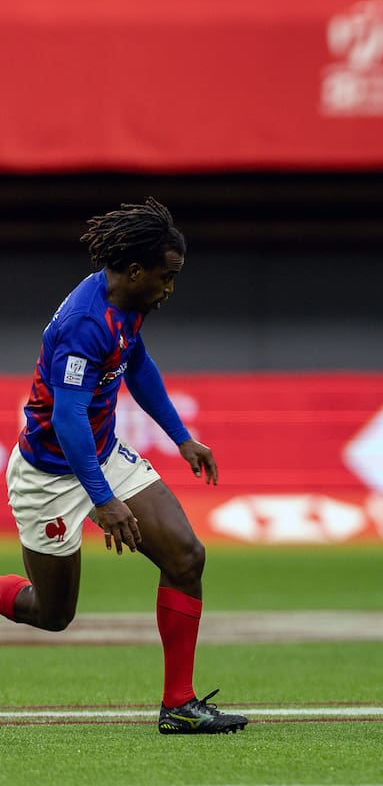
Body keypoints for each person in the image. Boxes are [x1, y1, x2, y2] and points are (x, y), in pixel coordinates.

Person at [0, 198, 248, 735]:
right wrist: (102, 499)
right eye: (166, 277)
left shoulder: (128, 303)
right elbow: (66, 418)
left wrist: (181, 437)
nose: (170, 289)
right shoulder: (85, 324)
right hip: (50, 474)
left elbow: (137, 364)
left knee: (186, 556)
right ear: (136, 271)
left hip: (103, 453)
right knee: (51, 613)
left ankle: (179, 705)